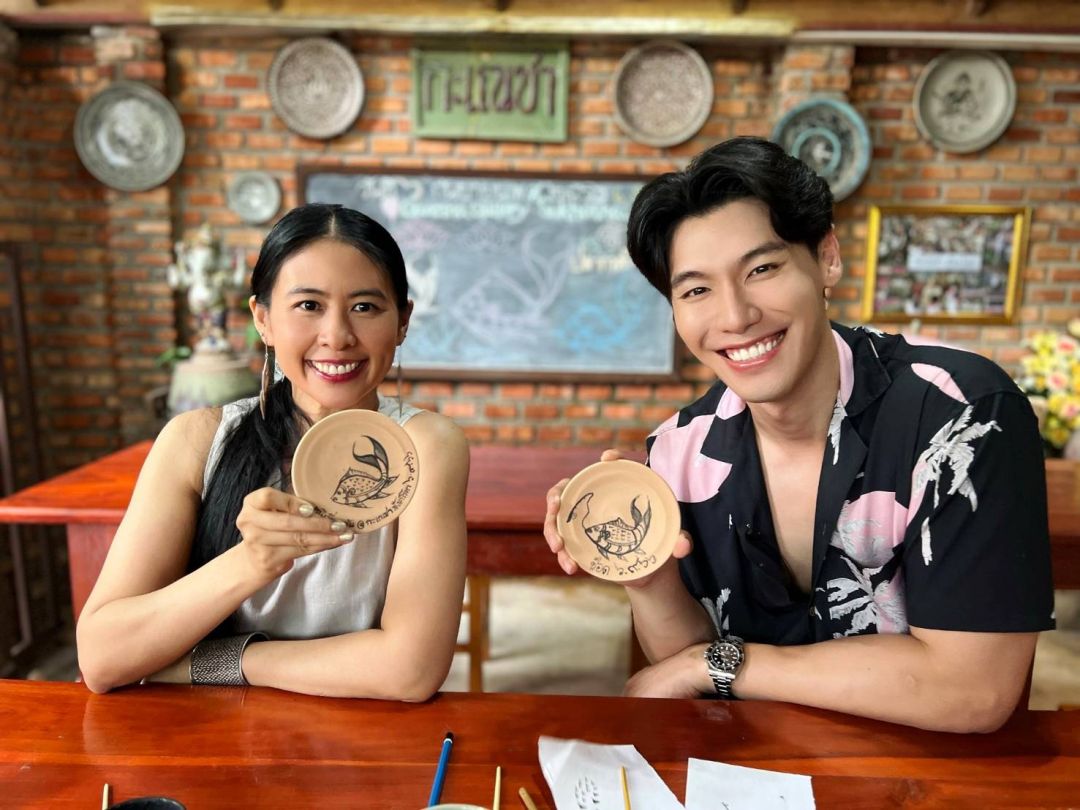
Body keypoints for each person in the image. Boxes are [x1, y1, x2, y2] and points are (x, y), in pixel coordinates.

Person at [544, 137, 1054, 733]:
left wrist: (721, 663)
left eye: (762, 269)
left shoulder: (960, 416)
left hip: (927, 769)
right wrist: (649, 578)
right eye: (697, 290)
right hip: (755, 769)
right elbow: (682, 668)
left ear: (826, 258)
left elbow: (974, 690)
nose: (735, 316)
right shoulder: (680, 453)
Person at [77, 203, 469, 699]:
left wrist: (212, 662)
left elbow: (410, 671)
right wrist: (252, 561)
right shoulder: (196, 440)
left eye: (365, 307)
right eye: (308, 305)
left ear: (403, 321)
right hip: (202, 734)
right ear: (262, 319)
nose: (337, 336)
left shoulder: (426, 446)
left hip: (357, 736)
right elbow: (102, 658)